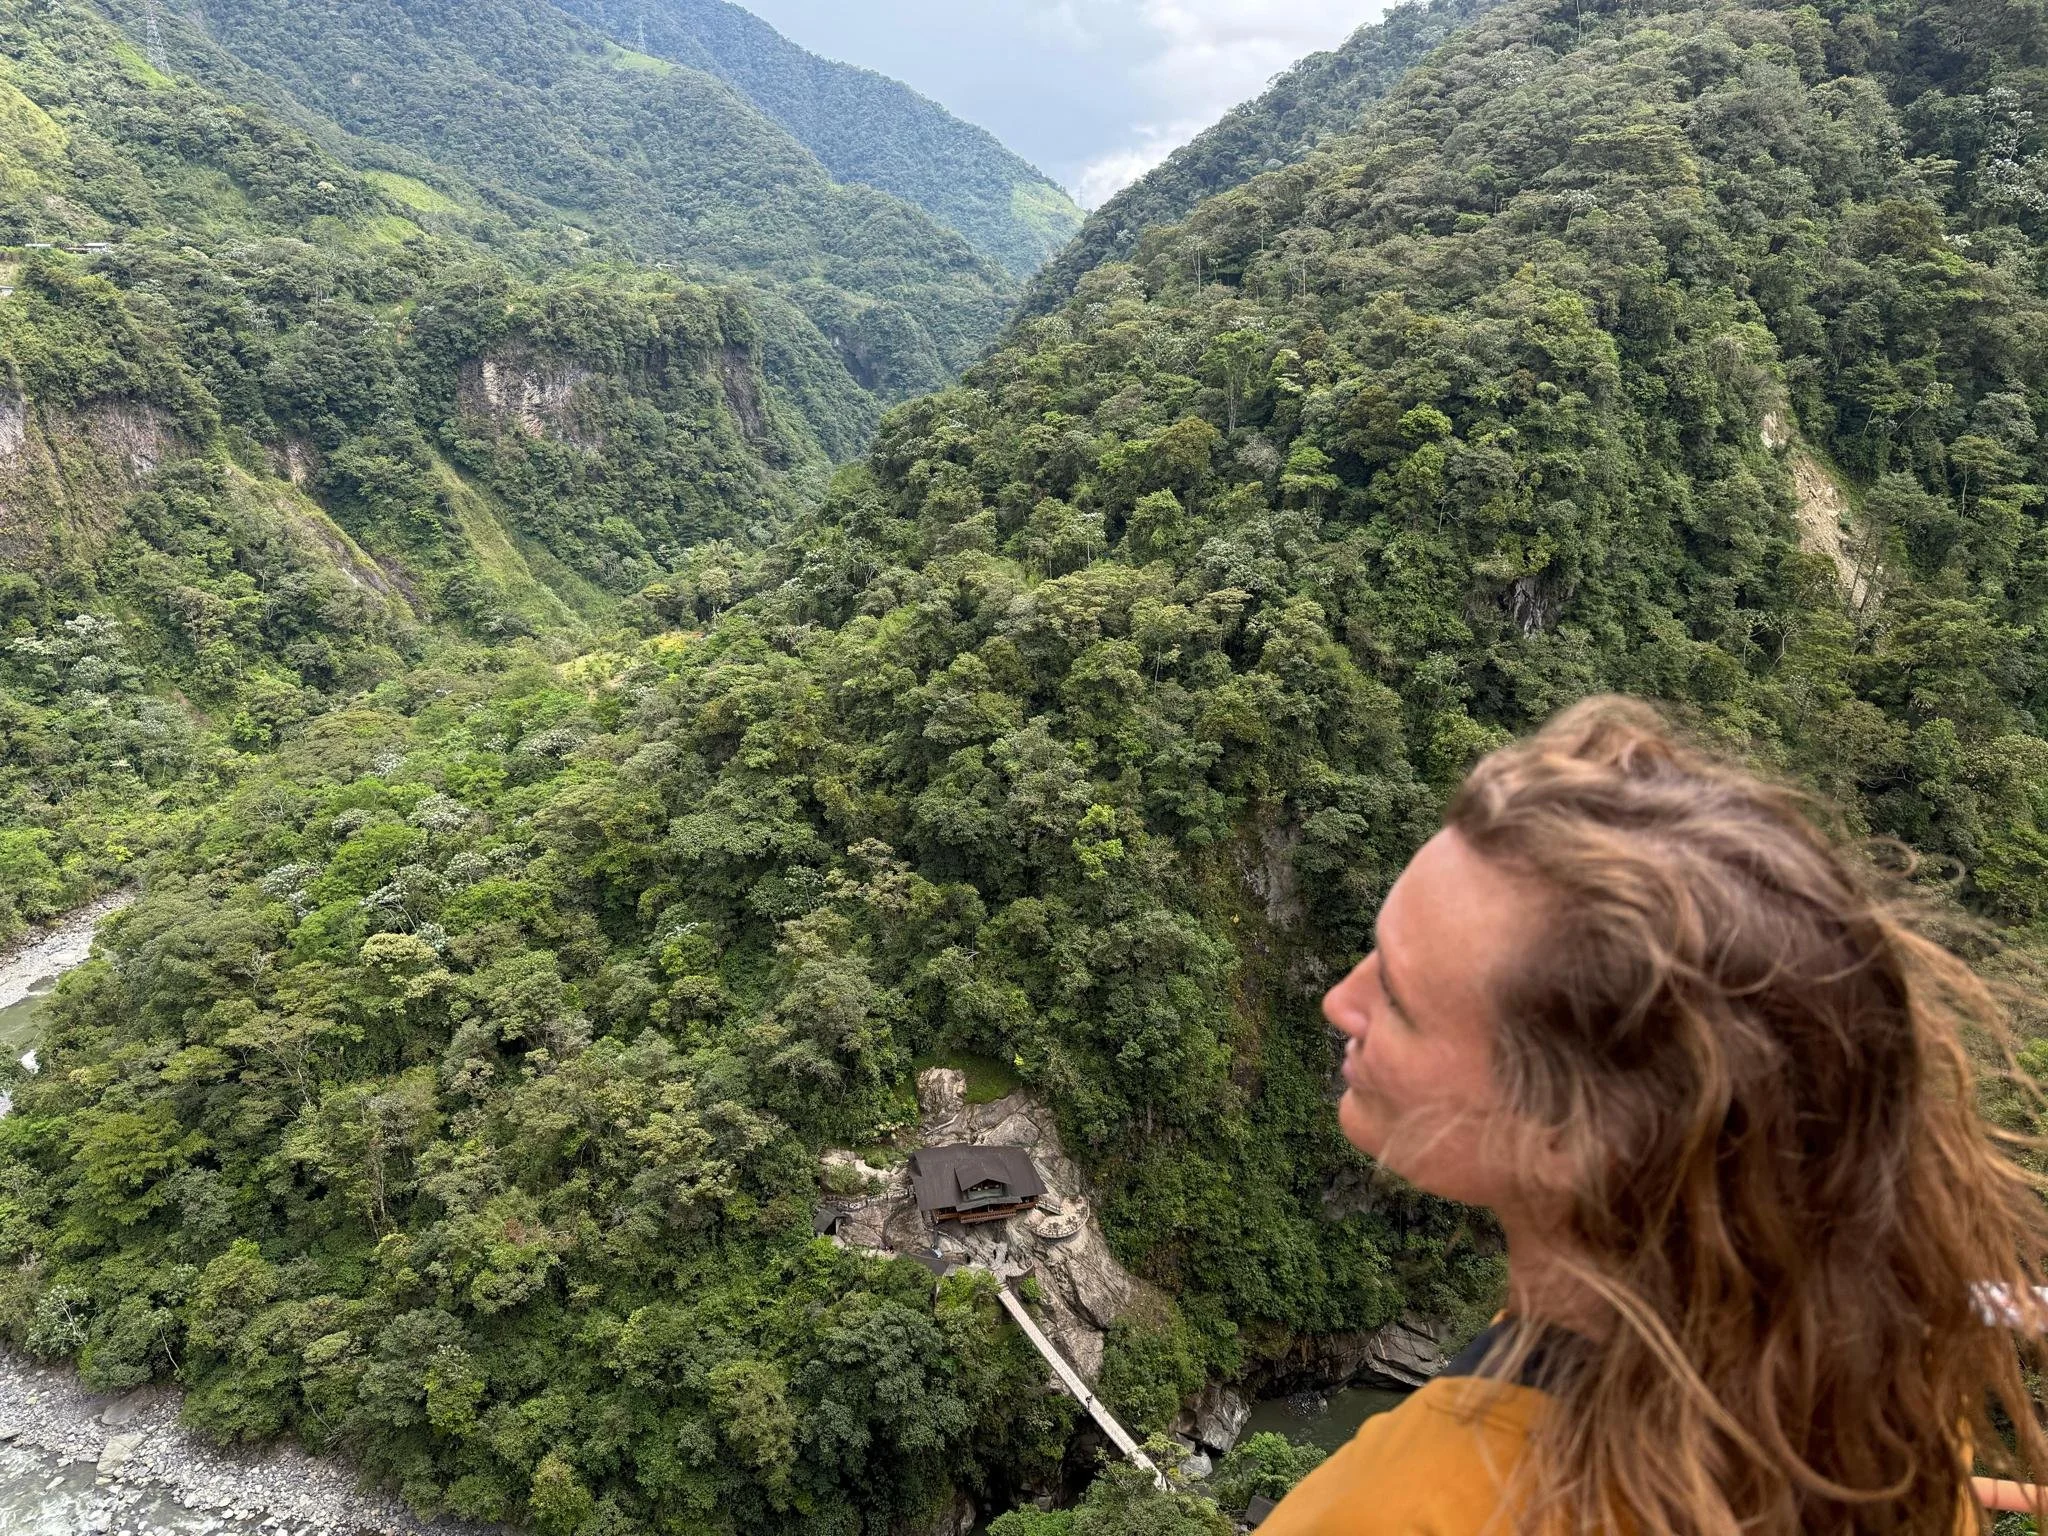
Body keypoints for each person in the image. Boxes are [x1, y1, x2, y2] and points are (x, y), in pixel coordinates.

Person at [1257, 697, 2048, 1535]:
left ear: (1572, 1137)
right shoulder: (1877, 1390)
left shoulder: (1406, 1511)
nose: (1339, 999)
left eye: (1402, 1001)